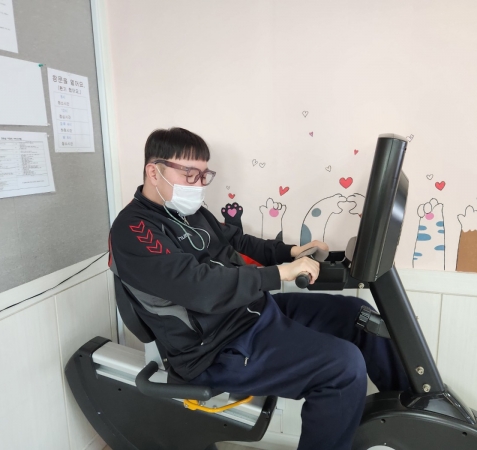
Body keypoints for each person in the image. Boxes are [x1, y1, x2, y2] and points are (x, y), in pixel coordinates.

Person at [108, 127, 410, 450]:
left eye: (203, 175)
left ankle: (412, 418)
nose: (198, 184)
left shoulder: (189, 212)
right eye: (189, 174)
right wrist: (278, 273)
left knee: (357, 316)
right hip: (214, 349)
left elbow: (237, 242)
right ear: (153, 172)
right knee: (343, 368)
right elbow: (198, 287)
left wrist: (290, 252)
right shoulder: (133, 229)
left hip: (250, 313)